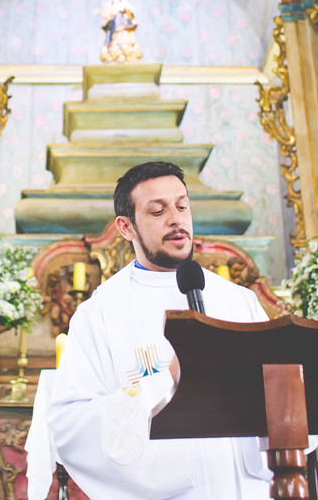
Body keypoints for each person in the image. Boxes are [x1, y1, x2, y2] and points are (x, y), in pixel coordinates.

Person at [45, 161, 272, 499]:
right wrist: (166, 381)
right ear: (126, 227)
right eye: (157, 211)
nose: (176, 219)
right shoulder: (101, 313)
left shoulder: (239, 301)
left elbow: (282, 395)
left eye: (182, 206)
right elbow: (69, 426)